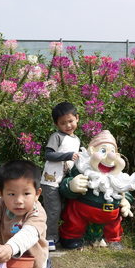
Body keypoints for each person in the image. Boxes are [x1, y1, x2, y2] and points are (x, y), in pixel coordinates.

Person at [40, 102, 81, 251]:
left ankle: (62, 235)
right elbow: (49, 154)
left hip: (64, 182)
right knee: (53, 210)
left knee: (64, 209)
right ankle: (48, 238)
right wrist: (69, 155)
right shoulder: (57, 136)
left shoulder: (76, 140)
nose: (68, 125)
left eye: (70, 121)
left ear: (77, 118)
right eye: (63, 123)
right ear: (56, 124)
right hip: (50, 180)